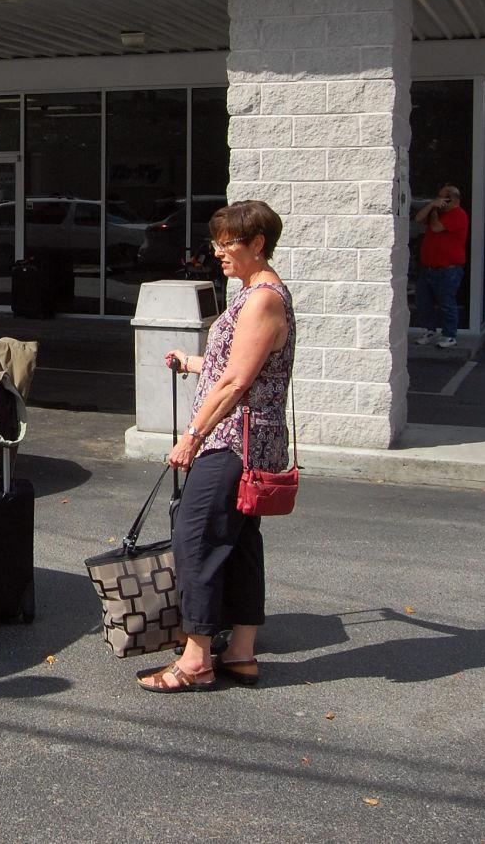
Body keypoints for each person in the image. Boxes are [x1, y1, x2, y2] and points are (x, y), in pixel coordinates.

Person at [142, 200, 294, 694]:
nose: (219, 251)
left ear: (258, 244)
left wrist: (192, 437)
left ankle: (196, 659)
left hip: (236, 439)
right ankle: (241, 653)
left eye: (230, 242)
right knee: (239, 541)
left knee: (196, 538)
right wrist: (193, 361)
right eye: (217, 241)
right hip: (251, 438)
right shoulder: (252, 293)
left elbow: (236, 383)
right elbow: (238, 362)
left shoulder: (264, 297)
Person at [413, 183, 468, 348]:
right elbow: (417, 219)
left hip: (448, 269)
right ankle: (430, 330)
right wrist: (431, 206)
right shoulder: (436, 213)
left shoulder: (458, 215)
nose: (438, 199)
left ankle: (449, 334)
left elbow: (437, 229)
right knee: (424, 302)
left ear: (451, 199)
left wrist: (435, 213)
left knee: (446, 302)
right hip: (429, 267)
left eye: (442, 197)